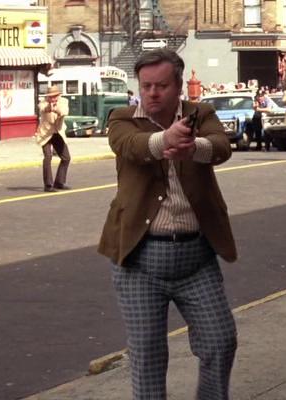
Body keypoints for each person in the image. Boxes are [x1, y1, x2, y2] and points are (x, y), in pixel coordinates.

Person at [98, 49, 238, 400]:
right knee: (147, 354)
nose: (152, 93)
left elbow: (221, 147)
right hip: (139, 260)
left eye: (161, 86)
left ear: (179, 86)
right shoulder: (122, 118)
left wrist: (193, 148)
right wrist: (166, 140)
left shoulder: (201, 113)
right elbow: (130, 146)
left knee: (221, 341)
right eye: (146, 86)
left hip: (196, 258)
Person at [34, 85, 71, 192]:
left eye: (55, 96)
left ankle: (59, 182)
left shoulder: (64, 101)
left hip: (57, 132)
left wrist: (55, 108)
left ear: (58, 95)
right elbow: (43, 108)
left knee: (66, 158)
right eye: (50, 96)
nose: (53, 98)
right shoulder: (43, 102)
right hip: (45, 134)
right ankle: (48, 185)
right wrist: (49, 107)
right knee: (48, 157)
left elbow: (64, 111)